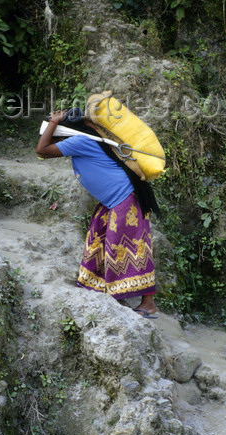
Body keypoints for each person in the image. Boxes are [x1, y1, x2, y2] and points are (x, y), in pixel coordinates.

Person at [36, 108, 160, 318]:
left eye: (56, 130)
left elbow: (42, 150)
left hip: (125, 199)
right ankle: (112, 293)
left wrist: (53, 122)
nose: (53, 135)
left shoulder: (79, 142)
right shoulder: (83, 142)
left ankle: (148, 304)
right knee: (99, 240)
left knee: (130, 249)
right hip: (114, 201)